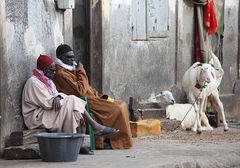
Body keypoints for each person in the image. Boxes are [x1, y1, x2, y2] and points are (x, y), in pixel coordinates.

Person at [22, 54, 119, 154]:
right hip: (37, 117)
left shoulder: (48, 81)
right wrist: (57, 98)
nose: (54, 72)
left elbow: (57, 96)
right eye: (52, 70)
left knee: (75, 113)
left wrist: (58, 97)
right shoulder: (33, 82)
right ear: (45, 70)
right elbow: (47, 103)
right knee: (72, 99)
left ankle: (77, 145)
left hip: (48, 111)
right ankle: (95, 126)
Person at [53, 44, 133, 149]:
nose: (73, 60)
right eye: (70, 57)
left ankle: (115, 139)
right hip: (87, 102)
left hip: (94, 98)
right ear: (62, 58)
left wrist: (99, 95)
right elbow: (80, 91)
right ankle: (115, 142)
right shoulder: (60, 73)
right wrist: (81, 71)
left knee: (120, 103)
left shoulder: (69, 69)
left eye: (74, 57)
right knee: (119, 108)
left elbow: (88, 87)